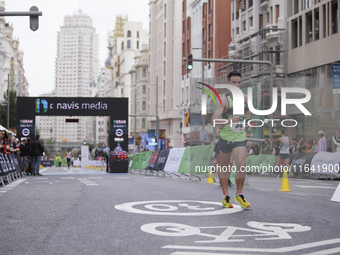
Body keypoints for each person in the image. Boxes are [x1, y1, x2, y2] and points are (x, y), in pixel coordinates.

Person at [211, 70, 251, 209]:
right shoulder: (223, 99)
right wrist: (229, 121)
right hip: (226, 137)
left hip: (240, 137)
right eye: (234, 82)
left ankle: (239, 194)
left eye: (239, 82)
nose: (237, 85)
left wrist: (248, 123)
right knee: (225, 167)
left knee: (241, 164)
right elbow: (214, 120)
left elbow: (248, 112)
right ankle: (226, 196)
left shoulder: (246, 98)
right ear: (228, 83)